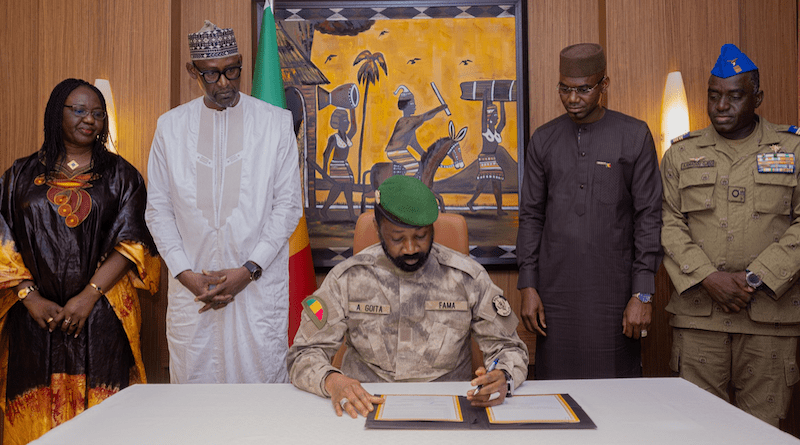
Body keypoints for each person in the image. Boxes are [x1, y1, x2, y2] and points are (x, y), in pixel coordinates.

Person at [288, 175, 528, 418]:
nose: (411, 248)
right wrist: (333, 381)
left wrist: (503, 376)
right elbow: (303, 355)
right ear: (377, 228)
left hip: (449, 409)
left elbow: (509, 347)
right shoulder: (346, 278)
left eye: (421, 236)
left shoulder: (468, 277)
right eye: (397, 239)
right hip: (364, 407)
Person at [0, 78, 160, 444]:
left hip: (101, 317)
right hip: (34, 320)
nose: (91, 119)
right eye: (80, 110)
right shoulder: (19, 175)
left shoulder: (122, 176)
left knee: (105, 420)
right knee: (35, 416)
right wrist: (30, 296)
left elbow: (132, 242)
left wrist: (88, 296)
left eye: (98, 114)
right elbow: (1, 235)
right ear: (58, 113)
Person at [145, 21, 302, 383]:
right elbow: (158, 210)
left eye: (233, 70)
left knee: (260, 395)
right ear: (193, 72)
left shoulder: (275, 124)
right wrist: (185, 274)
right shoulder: (170, 127)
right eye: (212, 75)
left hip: (256, 289)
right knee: (196, 400)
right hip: (193, 290)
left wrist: (248, 271)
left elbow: (287, 207)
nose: (225, 83)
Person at [661, 44, 800, 427]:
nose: (721, 105)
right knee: (697, 430)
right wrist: (709, 277)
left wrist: (755, 278)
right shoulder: (680, 154)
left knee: (763, 431)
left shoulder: (793, 150)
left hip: (769, 319)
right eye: (714, 95)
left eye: (735, 96)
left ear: (757, 97)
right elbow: (667, 222)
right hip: (700, 318)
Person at [516, 43, 663, 379]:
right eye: (564, 89)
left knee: (615, 400)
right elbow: (531, 216)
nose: (572, 98)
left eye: (583, 89)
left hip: (613, 294)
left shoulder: (634, 135)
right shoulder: (544, 139)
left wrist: (642, 293)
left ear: (604, 85)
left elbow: (649, 217)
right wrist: (528, 285)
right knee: (556, 396)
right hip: (554, 297)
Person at [384, 85, 448, 176]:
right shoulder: (406, 122)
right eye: (412, 103)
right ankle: (404, 187)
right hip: (395, 151)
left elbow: (415, 146)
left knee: (418, 166)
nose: (415, 105)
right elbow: (425, 116)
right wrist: (440, 108)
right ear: (406, 105)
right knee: (413, 167)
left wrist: (428, 158)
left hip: (398, 151)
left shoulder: (410, 127)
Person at [466, 94, 507, 215]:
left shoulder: (496, 131)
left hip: (492, 158)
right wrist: (484, 100)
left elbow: (503, 122)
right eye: (495, 115)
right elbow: (483, 117)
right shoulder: (485, 130)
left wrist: (502, 102)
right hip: (485, 158)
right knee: (490, 183)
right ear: (489, 117)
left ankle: (497, 208)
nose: (497, 118)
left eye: (497, 115)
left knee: (490, 184)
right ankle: (498, 209)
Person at [320, 107, 357, 221]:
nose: (347, 124)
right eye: (345, 121)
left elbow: (354, 128)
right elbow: (326, 154)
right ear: (339, 123)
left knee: (343, 188)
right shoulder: (334, 138)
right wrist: (324, 171)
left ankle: (327, 210)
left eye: (348, 121)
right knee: (342, 188)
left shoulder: (347, 137)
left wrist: (352, 109)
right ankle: (349, 214)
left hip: (344, 165)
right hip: (336, 166)